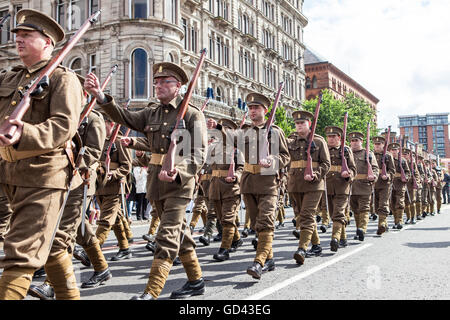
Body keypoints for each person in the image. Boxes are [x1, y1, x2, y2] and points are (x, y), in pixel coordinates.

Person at [84, 61, 207, 299]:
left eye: (164, 82)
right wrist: (100, 96)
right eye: (156, 82)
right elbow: (126, 117)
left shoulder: (192, 114)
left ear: (178, 86)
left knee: (167, 235)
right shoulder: (152, 113)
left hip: (179, 184)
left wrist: (179, 171)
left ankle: (151, 291)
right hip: (155, 182)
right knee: (179, 232)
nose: (158, 86)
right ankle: (196, 281)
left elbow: (199, 153)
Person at [0, 9, 83, 299]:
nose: (18, 41)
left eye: (27, 36)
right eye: (17, 36)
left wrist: (24, 133)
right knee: (52, 247)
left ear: (47, 42)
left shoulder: (63, 78)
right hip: (9, 173)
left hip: (44, 176)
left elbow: (63, 127)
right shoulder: (11, 78)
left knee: (20, 253)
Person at [208, 92, 290, 278]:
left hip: (268, 183)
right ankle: (269, 259)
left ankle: (259, 262)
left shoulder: (274, 131)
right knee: (257, 225)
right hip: (249, 184)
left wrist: (273, 159)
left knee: (266, 221)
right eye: (250, 108)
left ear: (265, 110)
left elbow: (285, 156)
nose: (252, 111)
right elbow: (229, 137)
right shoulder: (244, 132)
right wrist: (218, 126)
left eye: (256, 108)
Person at [287, 111, 330, 264]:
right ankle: (316, 245)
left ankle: (302, 248)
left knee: (306, 215)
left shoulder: (319, 141)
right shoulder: (290, 142)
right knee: (301, 215)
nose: (299, 126)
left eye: (302, 123)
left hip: (314, 185)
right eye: (297, 123)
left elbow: (326, 164)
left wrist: (316, 174)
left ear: (309, 124)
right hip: (295, 184)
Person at [95, 112, 133, 260]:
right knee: (116, 219)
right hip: (100, 186)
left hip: (114, 187)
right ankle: (124, 248)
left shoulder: (118, 142)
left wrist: (114, 173)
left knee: (105, 220)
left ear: (111, 124)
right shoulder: (99, 142)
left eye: (103, 125)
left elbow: (126, 166)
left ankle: (93, 250)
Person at [207, 118, 244, 262]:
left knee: (228, 219)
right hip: (215, 187)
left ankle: (224, 249)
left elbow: (242, 167)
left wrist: (236, 176)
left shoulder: (236, 149)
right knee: (222, 219)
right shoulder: (213, 147)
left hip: (230, 188)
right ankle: (236, 239)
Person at [324, 126, 356, 252]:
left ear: (339, 138)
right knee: (333, 214)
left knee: (338, 213)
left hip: (342, 186)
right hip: (328, 186)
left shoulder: (346, 150)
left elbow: (353, 168)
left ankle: (335, 239)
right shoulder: (324, 149)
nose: (331, 139)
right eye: (329, 137)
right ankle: (343, 237)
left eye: (334, 137)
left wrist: (349, 175)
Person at [349, 132, 379, 240]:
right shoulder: (347, 153)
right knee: (355, 210)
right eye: (352, 141)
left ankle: (362, 228)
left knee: (364, 209)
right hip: (351, 187)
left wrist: (373, 176)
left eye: (356, 140)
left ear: (361, 141)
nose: (354, 143)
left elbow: (375, 169)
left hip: (365, 186)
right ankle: (358, 229)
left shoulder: (368, 154)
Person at [372, 136, 396, 235]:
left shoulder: (387, 155)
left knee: (383, 204)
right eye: (375, 144)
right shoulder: (370, 154)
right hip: (373, 184)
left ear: (383, 145)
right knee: (376, 206)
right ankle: (384, 223)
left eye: (379, 144)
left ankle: (381, 224)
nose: (377, 146)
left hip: (385, 184)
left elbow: (392, 170)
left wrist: (388, 175)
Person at [387, 142, 410, 229]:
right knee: (392, 203)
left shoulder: (402, 160)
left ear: (398, 151)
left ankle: (400, 220)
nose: (394, 151)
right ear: (389, 150)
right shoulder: (387, 159)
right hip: (390, 183)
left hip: (400, 184)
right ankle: (396, 221)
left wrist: (406, 177)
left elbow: (408, 172)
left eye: (395, 150)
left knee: (399, 202)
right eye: (392, 150)